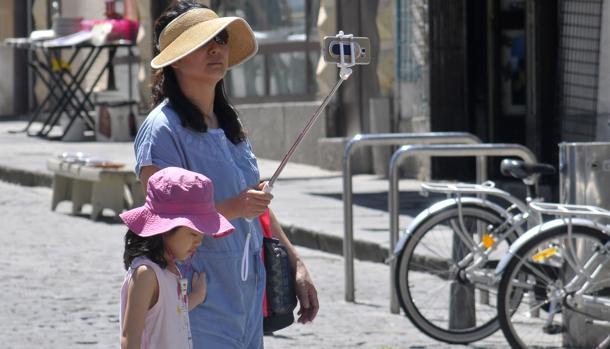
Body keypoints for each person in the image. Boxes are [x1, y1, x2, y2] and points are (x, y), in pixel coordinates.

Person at [133, 1, 319, 348]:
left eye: (219, 38)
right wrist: (234, 207)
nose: (216, 48)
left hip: (248, 289)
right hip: (197, 293)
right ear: (175, 59)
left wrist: (296, 263)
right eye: (203, 42)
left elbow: (257, 203)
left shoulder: (229, 122)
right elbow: (161, 222)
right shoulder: (162, 130)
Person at [120, 167, 235, 349]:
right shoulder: (146, 274)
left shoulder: (170, 269)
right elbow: (130, 336)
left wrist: (196, 297)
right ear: (165, 229)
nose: (199, 241)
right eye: (192, 234)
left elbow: (171, 312)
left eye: (202, 235)